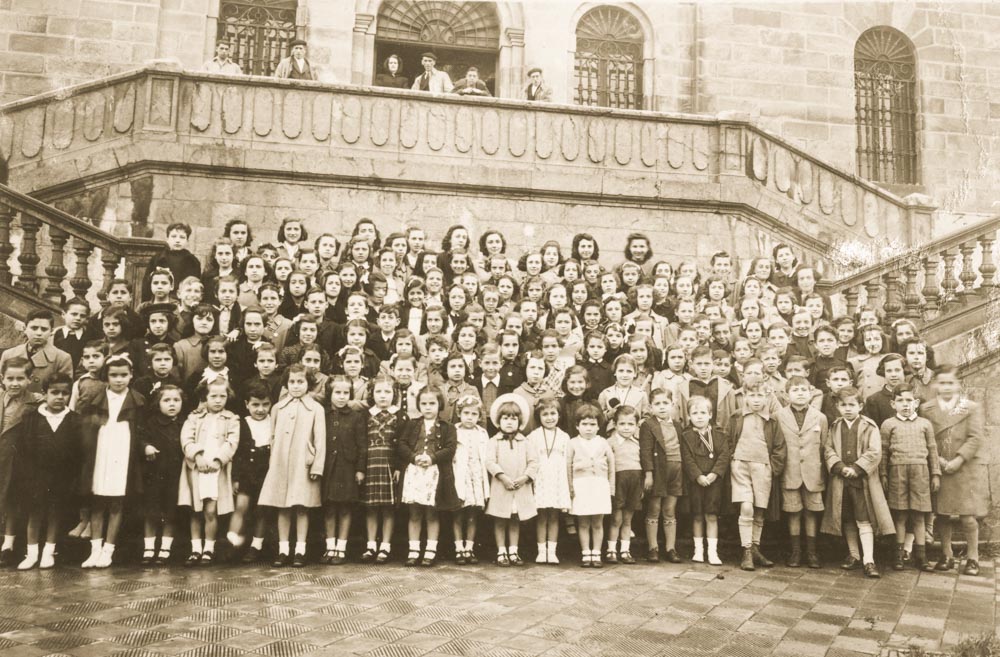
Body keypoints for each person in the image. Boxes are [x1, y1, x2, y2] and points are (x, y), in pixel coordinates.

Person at [77, 354, 145, 569]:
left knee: (117, 501)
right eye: (114, 375)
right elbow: (84, 425)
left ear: (131, 375)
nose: (119, 380)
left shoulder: (138, 400)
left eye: (123, 375)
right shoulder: (97, 398)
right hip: (101, 452)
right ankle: (94, 550)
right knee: (97, 501)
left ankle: (109, 549)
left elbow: (142, 431)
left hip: (123, 452)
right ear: (106, 377)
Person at [8, 374, 79, 570]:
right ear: (45, 394)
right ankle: (31, 553)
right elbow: (22, 450)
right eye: (54, 392)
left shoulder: (73, 420)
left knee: (55, 513)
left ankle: (49, 552)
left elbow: (77, 453)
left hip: (61, 478)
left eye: (65, 393)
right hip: (35, 477)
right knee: (35, 513)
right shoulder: (31, 418)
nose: (59, 397)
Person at [258, 364, 326, 568]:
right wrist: (273, 462)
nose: (296, 386)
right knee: (282, 507)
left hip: (303, 464)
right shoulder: (278, 407)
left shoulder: (316, 408)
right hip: (281, 464)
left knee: (302, 507)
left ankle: (300, 550)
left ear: (309, 384)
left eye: (301, 382)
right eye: (292, 382)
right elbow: (272, 436)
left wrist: (316, 466)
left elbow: (320, 440)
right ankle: (283, 549)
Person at [821, 387, 893, 579]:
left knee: (864, 518)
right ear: (837, 407)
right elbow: (828, 449)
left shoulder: (869, 426)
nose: (848, 409)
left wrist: (857, 468)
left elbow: (874, 451)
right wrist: (839, 466)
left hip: (862, 481)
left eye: (852, 405)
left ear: (860, 406)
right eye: (843, 405)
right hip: (841, 480)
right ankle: (854, 554)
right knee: (847, 517)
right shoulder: (835, 426)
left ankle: (869, 560)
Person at [922, 367, 985, 576]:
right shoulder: (927, 409)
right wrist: (938, 461)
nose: (946, 387)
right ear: (934, 385)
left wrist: (958, 460)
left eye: (950, 383)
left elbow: (975, 437)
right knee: (942, 515)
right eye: (941, 383)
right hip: (939, 466)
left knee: (968, 516)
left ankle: (973, 558)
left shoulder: (970, 408)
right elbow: (926, 439)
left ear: (958, 384)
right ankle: (946, 554)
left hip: (963, 468)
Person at [178, 378, 240, 566]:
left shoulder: (232, 418)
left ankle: (209, 548)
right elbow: (186, 439)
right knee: (196, 510)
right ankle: (195, 548)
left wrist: (219, 460)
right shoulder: (194, 417)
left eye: (223, 396)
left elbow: (232, 442)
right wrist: (196, 456)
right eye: (213, 396)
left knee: (211, 510)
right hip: (197, 468)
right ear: (205, 397)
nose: (218, 400)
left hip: (216, 470)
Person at [879, 384, 939, 572]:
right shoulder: (888, 424)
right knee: (901, 515)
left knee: (919, 516)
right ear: (892, 403)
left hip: (921, 472)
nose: (905, 405)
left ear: (916, 403)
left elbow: (932, 450)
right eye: (900, 401)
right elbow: (884, 452)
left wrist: (935, 473)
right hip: (897, 472)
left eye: (909, 400)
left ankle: (921, 556)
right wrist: (883, 474)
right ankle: (898, 555)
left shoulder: (925, 424)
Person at [398, 386, 460, 567]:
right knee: (415, 512)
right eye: (423, 404)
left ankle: (430, 550)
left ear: (439, 404)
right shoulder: (412, 424)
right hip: (415, 472)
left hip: (434, 473)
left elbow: (450, 449)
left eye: (432, 403)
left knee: (432, 513)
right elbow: (401, 444)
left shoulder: (447, 427)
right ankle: (413, 550)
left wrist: (432, 458)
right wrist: (413, 457)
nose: (428, 407)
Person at [729, 383, 785, 571]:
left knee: (759, 510)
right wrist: (732, 459)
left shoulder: (772, 420)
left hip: (762, 468)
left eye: (760, 395)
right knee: (746, 507)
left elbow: (779, 447)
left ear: (767, 396)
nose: (756, 400)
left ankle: (755, 548)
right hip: (741, 465)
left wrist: (772, 468)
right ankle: (746, 550)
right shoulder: (737, 417)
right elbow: (729, 440)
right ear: (744, 395)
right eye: (752, 395)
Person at [776, 376, 827, 568]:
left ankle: (812, 552)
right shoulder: (779, 416)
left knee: (811, 512)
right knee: (793, 512)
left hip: (813, 473)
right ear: (787, 395)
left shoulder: (820, 417)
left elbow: (823, 446)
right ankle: (796, 551)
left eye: (803, 390)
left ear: (811, 393)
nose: (799, 394)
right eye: (795, 390)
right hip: (790, 472)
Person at [485, 394, 538, 566]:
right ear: (498, 421)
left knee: (515, 519)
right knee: (500, 519)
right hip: (502, 487)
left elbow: (533, 462)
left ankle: (513, 551)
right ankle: (501, 551)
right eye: (505, 418)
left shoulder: (525, 442)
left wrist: (525, 477)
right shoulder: (494, 441)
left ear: (520, 421)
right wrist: (503, 477)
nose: (509, 422)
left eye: (514, 419)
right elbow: (490, 461)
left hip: (519, 487)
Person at [322, 376, 367, 565]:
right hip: (328, 468)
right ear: (330, 394)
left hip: (347, 468)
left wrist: (360, 469)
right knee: (330, 508)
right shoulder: (324, 415)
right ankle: (329, 546)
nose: (341, 397)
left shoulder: (356, 417)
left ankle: (341, 548)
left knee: (346, 508)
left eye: (345, 393)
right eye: (337, 393)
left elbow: (362, 445)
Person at [680, 396, 729, 566]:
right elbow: (687, 458)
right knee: (697, 515)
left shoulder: (719, 434)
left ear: (710, 414)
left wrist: (715, 474)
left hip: (714, 481)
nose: (699, 416)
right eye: (695, 413)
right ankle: (698, 550)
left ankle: (712, 552)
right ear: (689, 416)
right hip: (696, 481)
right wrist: (698, 475)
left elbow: (724, 455)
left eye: (703, 412)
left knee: (712, 515)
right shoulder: (686, 436)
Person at [140, 385, 185, 566]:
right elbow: (140, 437)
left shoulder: (186, 422)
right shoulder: (151, 422)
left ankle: (165, 547)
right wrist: (146, 446)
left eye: (176, 400)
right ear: (158, 403)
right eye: (166, 400)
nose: (172, 404)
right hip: (155, 472)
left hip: (176, 475)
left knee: (170, 511)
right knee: (151, 511)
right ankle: (149, 547)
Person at [639, 388, 685, 563]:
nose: (662, 407)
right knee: (654, 508)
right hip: (658, 471)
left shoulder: (678, 425)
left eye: (665, 403)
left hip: (676, 470)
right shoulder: (648, 425)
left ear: (672, 405)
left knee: (669, 509)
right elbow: (646, 451)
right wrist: (649, 474)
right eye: (657, 404)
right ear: (651, 407)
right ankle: (653, 547)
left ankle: (670, 548)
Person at [567, 403, 614, 568]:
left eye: (592, 424)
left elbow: (611, 466)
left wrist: (611, 488)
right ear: (577, 426)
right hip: (581, 486)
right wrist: (570, 488)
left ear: (599, 426)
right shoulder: (572, 443)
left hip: (599, 486)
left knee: (597, 522)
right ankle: (586, 552)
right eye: (584, 424)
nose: (588, 428)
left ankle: (596, 552)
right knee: (583, 522)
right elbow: (568, 467)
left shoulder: (603, 443)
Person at [527, 398, 571, 565]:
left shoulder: (564, 437)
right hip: (541, 480)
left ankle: (552, 552)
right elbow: (530, 459)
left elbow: (567, 461)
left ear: (559, 415)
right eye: (545, 414)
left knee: (554, 516)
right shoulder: (533, 436)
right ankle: (541, 551)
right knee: (541, 516)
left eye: (553, 413)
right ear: (539, 416)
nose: (549, 417)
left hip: (557, 480)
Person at [452, 395, 490, 565]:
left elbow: (486, 457)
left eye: (473, 414)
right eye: (466, 413)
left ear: (479, 417)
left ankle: (470, 547)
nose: (469, 417)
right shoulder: (454, 431)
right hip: (459, 476)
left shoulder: (482, 433)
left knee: (473, 515)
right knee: (458, 514)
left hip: (476, 478)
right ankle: (458, 548)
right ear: (459, 413)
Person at [0, 310, 72, 395]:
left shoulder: (62, 358)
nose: (39, 333)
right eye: (34, 328)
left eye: (44, 329)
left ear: (51, 331)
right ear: (24, 328)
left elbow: (63, 391)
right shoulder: (9, 354)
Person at [606, 405, 642, 565]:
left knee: (628, 518)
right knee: (616, 518)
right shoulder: (610, 442)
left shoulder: (638, 442)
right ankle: (611, 550)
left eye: (630, 424)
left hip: (634, 482)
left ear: (636, 425)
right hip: (618, 482)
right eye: (622, 424)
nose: (626, 428)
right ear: (615, 424)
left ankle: (625, 550)